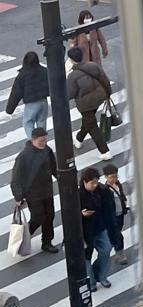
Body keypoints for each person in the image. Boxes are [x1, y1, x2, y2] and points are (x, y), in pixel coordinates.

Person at [10, 126, 58, 254]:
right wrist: (18, 197)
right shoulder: (24, 156)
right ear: (33, 140)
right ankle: (23, 238)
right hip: (33, 193)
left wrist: (62, 178)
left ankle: (47, 242)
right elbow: (16, 178)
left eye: (45, 140)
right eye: (41, 141)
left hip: (47, 190)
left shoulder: (47, 150)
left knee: (50, 216)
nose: (44, 143)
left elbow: (54, 167)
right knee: (38, 217)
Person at [66, 46, 112, 158]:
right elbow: (104, 79)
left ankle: (105, 151)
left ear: (71, 60)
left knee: (91, 125)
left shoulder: (72, 76)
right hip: (99, 97)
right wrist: (108, 93)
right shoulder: (93, 65)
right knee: (89, 121)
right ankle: (79, 139)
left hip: (85, 104)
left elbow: (70, 94)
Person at [80, 166, 114, 290]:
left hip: (100, 227)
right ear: (85, 182)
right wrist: (81, 214)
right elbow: (69, 214)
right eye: (92, 183)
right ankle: (92, 282)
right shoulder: (77, 195)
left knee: (106, 249)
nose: (95, 185)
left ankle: (101, 275)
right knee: (86, 258)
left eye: (96, 182)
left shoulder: (101, 190)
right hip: (85, 232)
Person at [6, 51, 49, 139]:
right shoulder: (44, 71)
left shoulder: (22, 75)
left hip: (31, 104)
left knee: (28, 122)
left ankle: (34, 142)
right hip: (43, 101)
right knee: (41, 122)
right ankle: (42, 141)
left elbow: (16, 93)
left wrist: (9, 109)